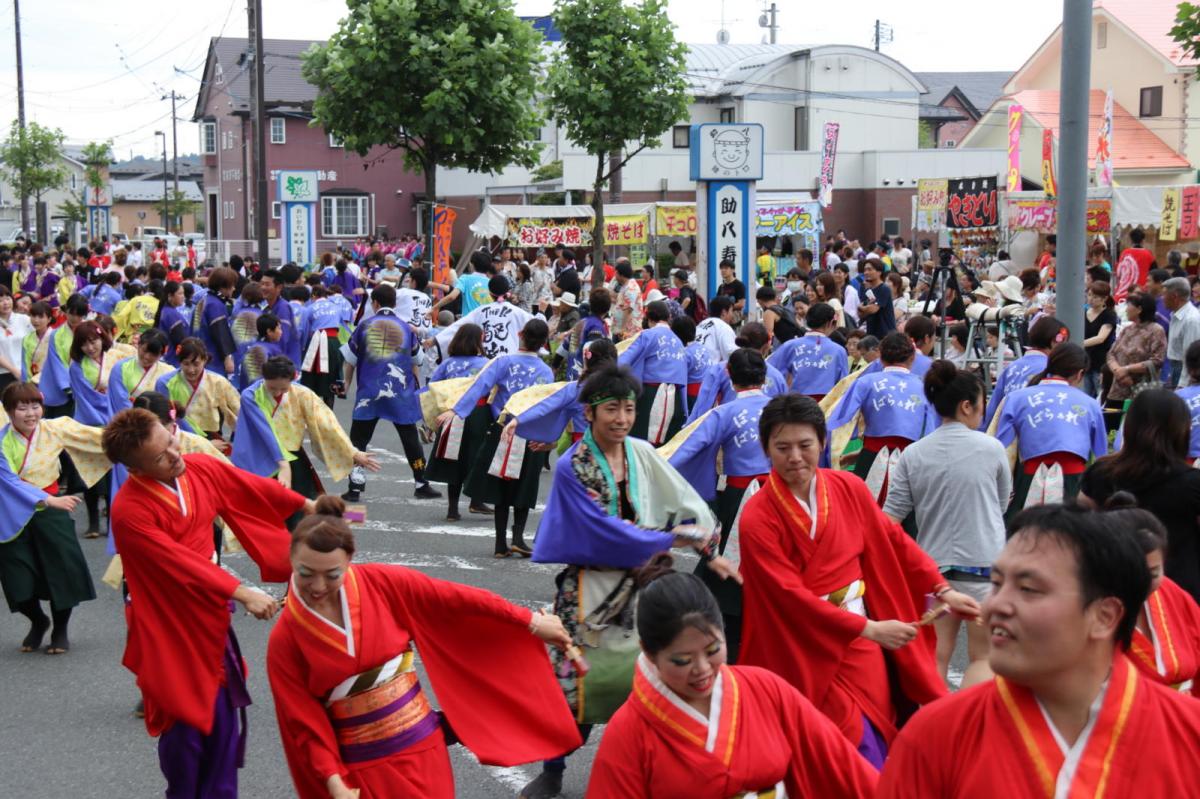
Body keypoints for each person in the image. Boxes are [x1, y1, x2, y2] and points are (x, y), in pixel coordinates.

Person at [876, 504, 1200, 798]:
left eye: (1028, 589)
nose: (995, 606)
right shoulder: (935, 736)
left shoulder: (1189, 733)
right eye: (997, 583)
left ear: (1105, 616)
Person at [267, 498, 581, 799]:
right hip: (360, 766)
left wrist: (530, 622)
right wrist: (333, 779)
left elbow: (457, 599)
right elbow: (304, 724)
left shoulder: (381, 583)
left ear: (349, 561)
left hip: (422, 747)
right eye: (306, 573)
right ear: (291, 560)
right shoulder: (285, 640)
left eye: (332, 574)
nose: (318, 586)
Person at [736, 394, 980, 764]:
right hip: (799, 644)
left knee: (876, 726)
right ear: (766, 448)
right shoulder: (758, 516)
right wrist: (869, 630)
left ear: (822, 441)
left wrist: (941, 588)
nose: (795, 457)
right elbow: (787, 596)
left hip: (858, 643)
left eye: (805, 445)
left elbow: (894, 540)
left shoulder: (847, 488)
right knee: (826, 743)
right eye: (782, 447)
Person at [522, 364, 726, 799]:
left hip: (644, 587)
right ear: (590, 413)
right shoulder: (572, 465)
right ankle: (552, 768)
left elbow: (681, 497)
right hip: (588, 589)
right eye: (611, 409)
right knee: (575, 683)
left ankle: (652, 770)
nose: (621, 418)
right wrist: (670, 538)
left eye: (629, 409)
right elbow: (602, 530)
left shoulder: (640, 451)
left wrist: (707, 545)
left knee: (651, 680)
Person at [102, 407, 317, 797]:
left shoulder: (197, 467)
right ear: (135, 470)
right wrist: (243, 592)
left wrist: (307, 505)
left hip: (209, 611)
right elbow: (178, 563)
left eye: (172, 439)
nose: (174, 454)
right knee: (185, 720)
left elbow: (247, 486)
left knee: (221, 717)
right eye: (161, 457)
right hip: (166, 620)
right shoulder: (129, 510)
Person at [587, 560, 879, 798]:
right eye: (682, 660)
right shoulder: (628, 734)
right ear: (649, 654)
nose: (702, 669)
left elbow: (844, 767)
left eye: (713, 650)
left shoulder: (765, 688)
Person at [883, 360, 1009, 684]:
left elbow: (891, 516)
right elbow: (1001, 502)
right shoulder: (992, 449)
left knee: (936, 656)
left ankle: (934, 725)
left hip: (933, 570)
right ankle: (972, 729)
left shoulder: (914, 453)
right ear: (967, 406)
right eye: (981, 404)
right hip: (983, 566)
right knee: (982, 657)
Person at [664, 349, 772, 662]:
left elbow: (688, 448)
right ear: (764, 377)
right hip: (780, 498)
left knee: (724, 569)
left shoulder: (724, 412)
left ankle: (730, 643)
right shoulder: (781, 408)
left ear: (730, 375)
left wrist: (650, 471)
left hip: (739, 499)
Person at [436, 319, 553, 557]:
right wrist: (550, 438)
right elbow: (549, 407)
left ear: (520, 334)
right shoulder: (546, 371)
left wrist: (456, 410)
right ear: (543, 343)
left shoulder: (502, 362)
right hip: (531, 431)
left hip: (503, 429)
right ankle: (519, 537)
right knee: (524, 486)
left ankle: (501, 543)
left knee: (502, 486)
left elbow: (479, 386)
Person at [0, 382, 102, 654]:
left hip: (52, 511)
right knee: (16, 579)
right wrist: (49, 500)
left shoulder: (55, 428)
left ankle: (60, 629)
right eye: (22, 407)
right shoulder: (2, 441)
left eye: (35, 406)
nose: (31, 413)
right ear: (9, 411)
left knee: (62, 571)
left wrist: (138, 436)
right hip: (13, 512)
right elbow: (7, 480)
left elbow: (97, 437)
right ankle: (37, 620)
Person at [1080, 389, 1200, 601]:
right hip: (1179, 595)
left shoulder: (1101, 473)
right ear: (1182, 431)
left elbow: (1081, 521)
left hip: (1112, 587)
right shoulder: (1192, 484)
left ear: (1130, 427)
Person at [232, 356, 379, 528]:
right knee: (265, 518)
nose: (278, 393)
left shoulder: (302, 394)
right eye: (272, 388)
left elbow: (326, 423)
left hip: (293, 459)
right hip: (261, 460)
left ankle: (353, 518)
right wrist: (283, 464)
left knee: (304, 512)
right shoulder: (250, 396)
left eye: (283, 389)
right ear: (264, 378)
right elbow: (266, 432)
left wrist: (353, 452)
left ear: (293, 378)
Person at [340, 284, 439, 502]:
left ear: (374, 303)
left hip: (369, 391)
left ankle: (355, 486)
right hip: (400, 392)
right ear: (394, 303)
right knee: (410, 438)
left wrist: (346, 383)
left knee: (359, 439)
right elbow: (418, 359)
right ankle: (421, 482)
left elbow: (350, 359)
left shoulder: (365, 325)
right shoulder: (405, 328)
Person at [993, 343, 1107, 513]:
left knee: (1024, 532)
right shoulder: (1090, 404)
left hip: (1028, 478)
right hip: (1073, 481)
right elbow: (1101, 456)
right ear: (1080, 373)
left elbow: (1000, 446)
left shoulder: (1016, 398)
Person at [825, 332, 937, 504]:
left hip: (871, 456)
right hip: (912, 462)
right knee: (908, 520)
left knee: (864, 512)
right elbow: (931, 432)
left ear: (880, 356)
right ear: (912, 357)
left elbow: (838, 418)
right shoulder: (924, 386)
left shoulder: (866, 382)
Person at [1106, 497, 1200, 693]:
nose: (1142, 582)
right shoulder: (1087, 610)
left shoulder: (1170, 592)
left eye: (1153, 572)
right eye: (1130, 572)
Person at [685, 323, 788, 424]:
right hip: (765, 433)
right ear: (767, 344)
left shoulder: (721, 369)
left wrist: (688, 430)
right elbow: (784, 412)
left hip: (730, 428)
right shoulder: (777, 376)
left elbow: (702, 408)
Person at [617, 300, 687, 444]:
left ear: (648, 319)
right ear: (668, 318)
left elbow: (624, 360)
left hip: (649, 395)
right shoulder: (678, 341)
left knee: (639, 444)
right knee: (665, 446)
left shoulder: (648, 335)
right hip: (676, 398)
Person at [982, 315, 1068, 429]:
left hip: (1006, 430)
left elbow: (993, 406)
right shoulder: (1051, 369)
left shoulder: (1012, 366)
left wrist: (983, 431)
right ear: (1054, 342)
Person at [156, 337, 240, 448]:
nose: (191, 370)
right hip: (177, 437)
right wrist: (204, 444)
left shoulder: (218, 382)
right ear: (179, 361)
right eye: (186, 364)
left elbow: (238, 409)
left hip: (211, 437)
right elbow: (165, 417)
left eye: (196, 364)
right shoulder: (165, 383)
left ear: (205, 360)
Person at [433, 275, 534, 359]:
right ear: (508, 292)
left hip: (485, 361)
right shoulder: (518, 312)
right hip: (510, 359)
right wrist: (542, 312)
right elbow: (538, 326)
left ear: (489, 293)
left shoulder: (480, 311)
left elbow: (457, 326)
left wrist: (435, 340)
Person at [767, 302, 847, 400]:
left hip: (796, 403)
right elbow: (843, 386)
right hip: (826, 405)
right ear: (829, 323)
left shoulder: (790, 345)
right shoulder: (839, 350)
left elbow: (771, 371)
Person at [108, 328, 175, 414]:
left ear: (161, 354)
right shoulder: (121, 367)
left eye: (153, 354)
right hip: (124, 418)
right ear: (139, 344)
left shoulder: (169, 373)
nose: (147, 357)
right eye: (144, 350)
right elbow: (119, 400)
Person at [672, 315, 714, 414]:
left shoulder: (684, 354)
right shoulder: (703, 348)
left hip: (691, 395)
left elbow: (679, 379)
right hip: (708, 392)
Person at [1082, 280, 1117, 397]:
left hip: (1101, 362)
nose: (1091, 299)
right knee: (1085, 395)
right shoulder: (1083, 312)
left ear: (1105, 298)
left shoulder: (1109, 315)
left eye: (1096, 297)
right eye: (1090, 295)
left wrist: (1079, 343)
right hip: (1085, 361)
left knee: (1100, 395)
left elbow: (1101, 338)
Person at [1164, 277, 1200, 387]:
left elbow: (1189, 356)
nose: (1162, 298)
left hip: (1183, 373)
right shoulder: (1176, 315)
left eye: (1164, 295)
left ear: (1174, 297)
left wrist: (1183, 385)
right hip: (1174, 369)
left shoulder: (1191, 320)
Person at [0, 285, 31, 396]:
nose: (5, 303)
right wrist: (13, 370)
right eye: (0, 300)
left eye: (7, 298)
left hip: (26, 371)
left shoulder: (24, 319)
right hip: (4, 374)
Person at [1113, 226, 1156, 301]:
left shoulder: (1124, 253)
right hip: (1141, 291)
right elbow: (1154, 271)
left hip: (1124, 291)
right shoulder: (1148, 254)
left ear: (1131, 240)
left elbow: (1119, 272)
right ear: (1143, 240)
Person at [858, 259, 896, 338]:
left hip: (886, 335)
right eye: (865, 270)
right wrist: (864, 308)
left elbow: (873, 309)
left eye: (869, 269)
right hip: (871, 334)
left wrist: (860, 307)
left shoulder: (884, 289)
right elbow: (860, 314)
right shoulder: (867, 290)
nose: (866, 272)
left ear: (879, 272)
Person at [695, 296, 738, 363]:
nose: (732, 315)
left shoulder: (700, 325)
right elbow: (731, 354)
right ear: (724, 312)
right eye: (731, 311)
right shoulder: (723, 327)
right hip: (710, 369)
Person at [610, 261, 644, 341]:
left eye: (616, 273)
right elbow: (621, 303)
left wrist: (623, 330)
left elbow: (628, 310)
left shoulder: (630, 288)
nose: (615, 276)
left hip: (628, 331)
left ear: (621, 275)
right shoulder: (625, 286)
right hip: (620, 329)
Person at [20, 300, 52, 383]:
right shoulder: (27, 339)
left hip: (51, 381)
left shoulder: (56, 337)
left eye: (41, 317)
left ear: (49, 319)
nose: (36, 320)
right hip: (32, 381)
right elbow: (25, 364)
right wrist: (26, 382)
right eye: (33, 316)